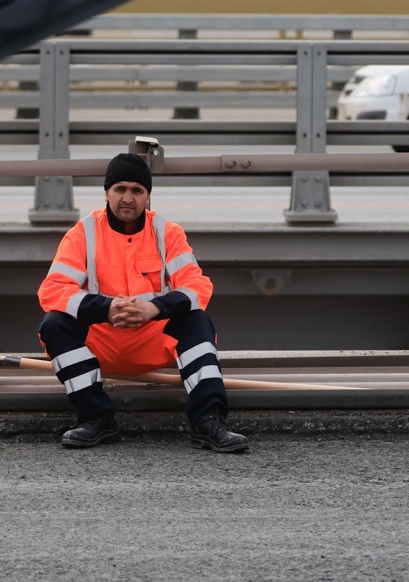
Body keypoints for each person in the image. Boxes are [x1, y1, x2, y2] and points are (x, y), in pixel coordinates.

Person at [36, 152, 249, 452]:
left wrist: (154, 309)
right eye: (120, 188)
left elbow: (197, 286)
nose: (128, 197)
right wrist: (106, 309)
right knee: (54, 324)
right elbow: (52, 289)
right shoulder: (82, 233)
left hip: (153, 338)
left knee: (197, 319)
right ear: (106, 192)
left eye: (137, 190)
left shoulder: (167, 232)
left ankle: (209, 421)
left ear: (148, 196)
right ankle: (97, 418)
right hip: (102, 341)